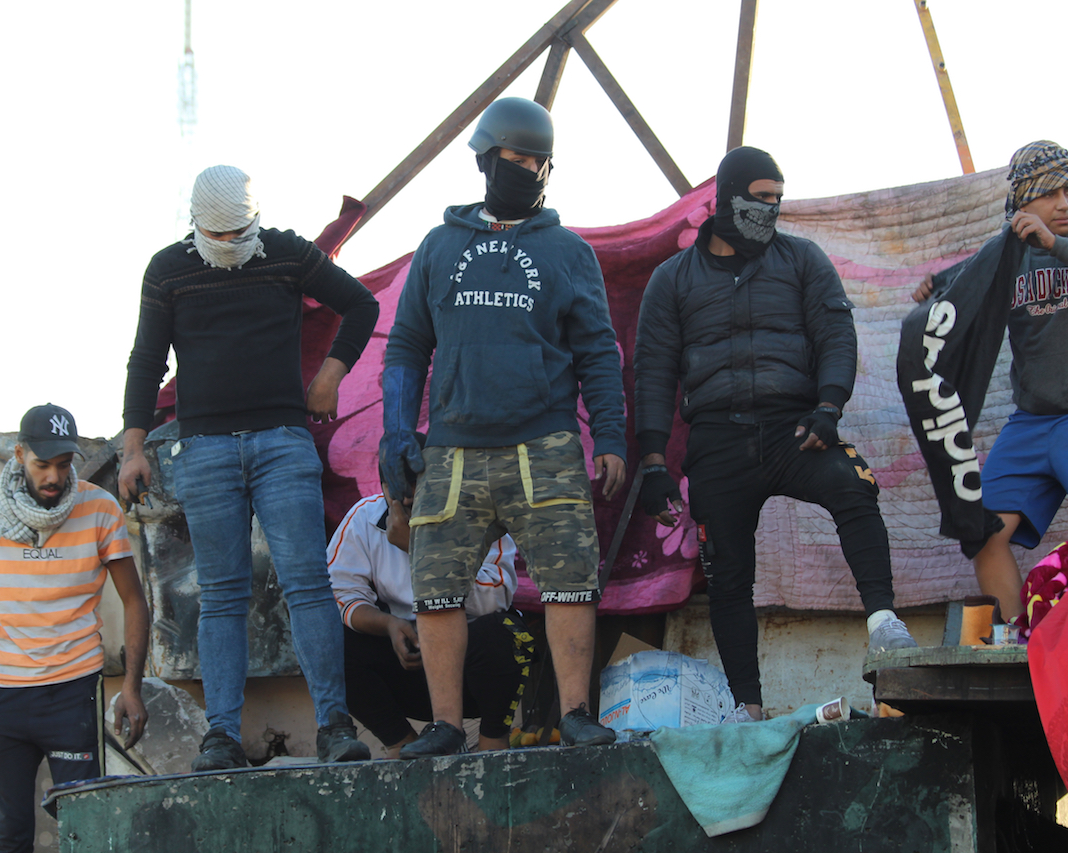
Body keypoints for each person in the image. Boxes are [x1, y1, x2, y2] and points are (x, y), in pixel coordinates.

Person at [633, 147, 917, 723]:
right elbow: (653, 371)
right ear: (726, 199)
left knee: (854, 486)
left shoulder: (802, 259)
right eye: (760, 197)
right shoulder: (673, 279)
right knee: (727, 572)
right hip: (716, 441)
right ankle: (749, 708)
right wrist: (654, 462)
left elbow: (836, 334)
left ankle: (885, 624)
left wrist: (829, 407)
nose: (772, 208)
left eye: (778, 198)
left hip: (795, 429)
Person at [381, 97, 627, 757]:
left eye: (537, 162)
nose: (527, 170)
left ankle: (575, 713)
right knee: (436, 588)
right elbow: (407, 344)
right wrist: (396, 430)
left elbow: (599, 352)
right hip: (452, 449)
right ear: (486, 160)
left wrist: (610, 437)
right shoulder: (439, 246)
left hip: (544, 445)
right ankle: (444, 725)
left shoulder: (569, 252)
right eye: (515, 159)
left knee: (570, 577)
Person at [120, 165, 379, 770]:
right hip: (203, 449)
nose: (232, 243)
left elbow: (360, 305)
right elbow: (146, 360)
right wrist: (133, 448)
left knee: (307, 584)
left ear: (254, 220)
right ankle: (221, 737)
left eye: (241, 233)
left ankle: (334, 727)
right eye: (220, 235)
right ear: (196, 224)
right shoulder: (168, 270)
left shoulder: (286, 253)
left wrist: (331, 374)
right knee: (221, 595)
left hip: (282, 441)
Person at [0, 404, 151, 853]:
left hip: (74, 691)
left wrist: (132, 688)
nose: (54, 476)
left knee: (85, 833)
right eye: (43, 464)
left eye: (64, 464)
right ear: (19, 454)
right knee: (10, 836)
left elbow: (134, 600)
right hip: (7, 695)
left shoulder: (99, 508)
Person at [905, 140, 1068, 623]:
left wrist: (1054, 244)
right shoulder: (1006, 256)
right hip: (1032, 423)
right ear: (1021, 202)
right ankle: (1019, 643)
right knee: (982, 530)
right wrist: (937, 288)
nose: (1063, 203)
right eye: (1049, 193)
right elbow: (967, 281)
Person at [326, 471, 534, 757]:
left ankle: (493, 740)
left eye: (417, 482)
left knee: (505, 632)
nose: (408, 496)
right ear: (384, 486)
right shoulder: (364, 517)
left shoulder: (481, 514)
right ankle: (402, 744)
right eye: (398, 485)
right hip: (410, 664)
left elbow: (492, 600)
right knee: (327, 639)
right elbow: (342, 595)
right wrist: (389, 625)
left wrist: (417, 548)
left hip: (471, 670)